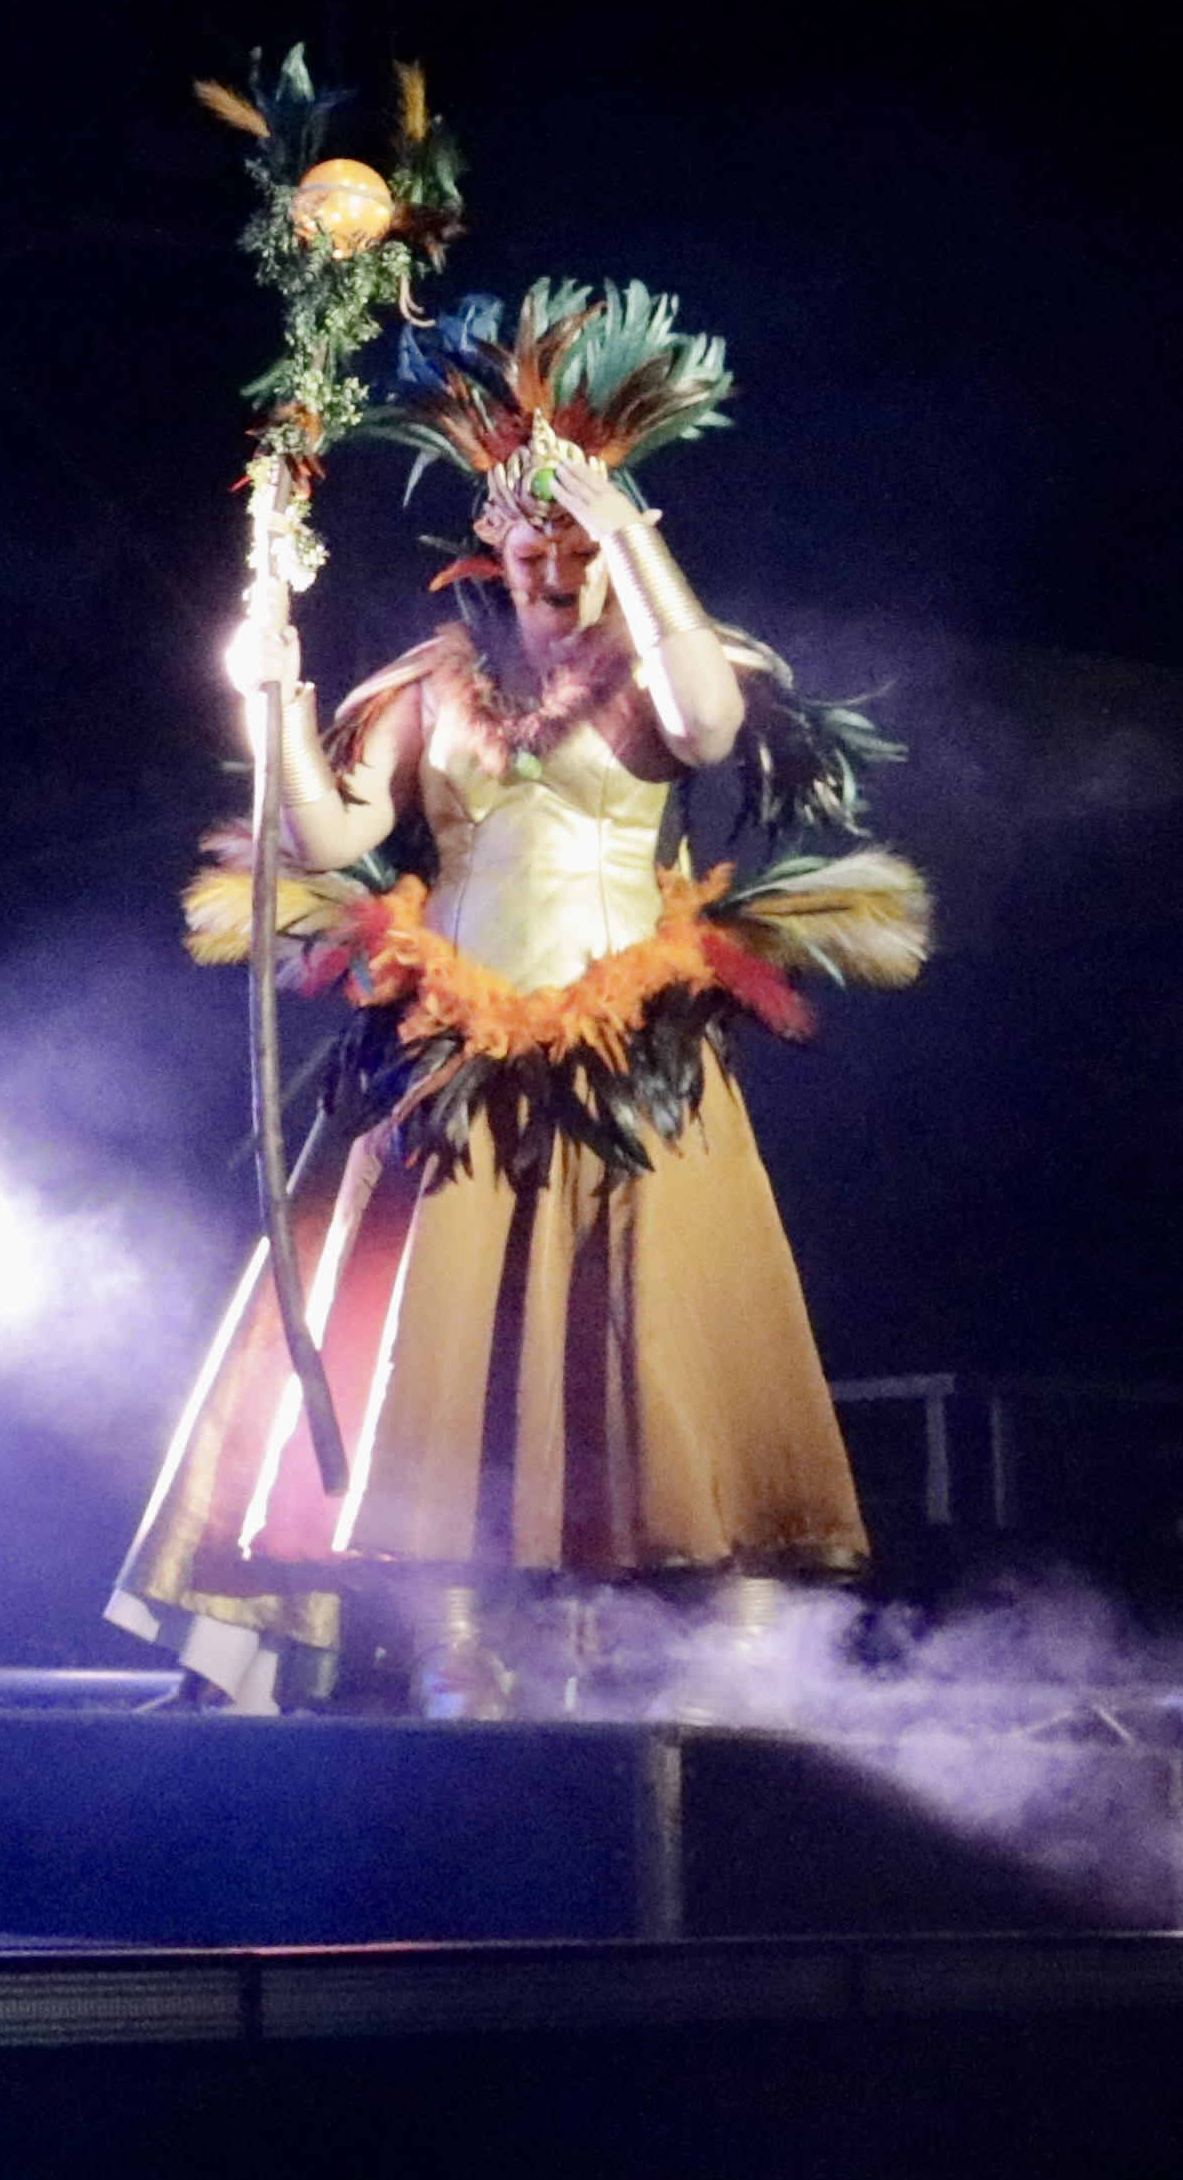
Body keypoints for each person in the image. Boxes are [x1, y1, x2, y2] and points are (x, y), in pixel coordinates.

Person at [116, 282, 909, 1710]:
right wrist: (273, 697)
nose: (553, 559)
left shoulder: (657, 663)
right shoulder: (435, 682)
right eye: (527, 529)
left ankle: (699, 1670)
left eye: (574, 534)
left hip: (624, 1054)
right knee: (430, 1346)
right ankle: (454, 1641)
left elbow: (710, 722)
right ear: (486, 538)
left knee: (647, 1343)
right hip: (450, 1049)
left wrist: (622, 520)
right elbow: (335, 835)